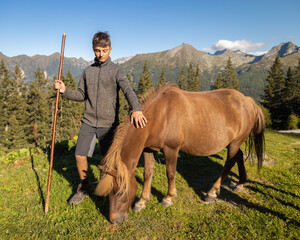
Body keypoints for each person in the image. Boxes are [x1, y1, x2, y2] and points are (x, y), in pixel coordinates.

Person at [55, 31, 147, 205]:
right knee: (79, 155)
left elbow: (128, 90)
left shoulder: (116, 71)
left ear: (110, 49)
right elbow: (81, 95)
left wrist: (136, 109)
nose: (101, 54)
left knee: (108, 161)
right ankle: (83, 187)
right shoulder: (87, 71)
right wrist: (64, 91)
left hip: (109, 125)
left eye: (104, 50)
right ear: (93, 49)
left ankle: (108, 189)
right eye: (97, 50)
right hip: (89, 122)